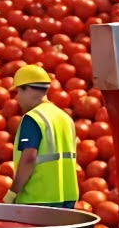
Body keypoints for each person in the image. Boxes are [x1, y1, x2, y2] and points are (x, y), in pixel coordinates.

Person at [5, 64, 78, 208]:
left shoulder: (33, 118)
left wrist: (12, 193)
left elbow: (29, 158)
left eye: (18, 91)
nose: (17, 98)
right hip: (67, 197)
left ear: (27, 89)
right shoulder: (65, 118)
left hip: (38, 199)